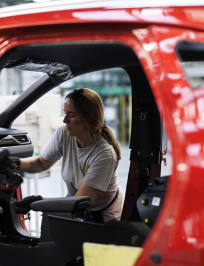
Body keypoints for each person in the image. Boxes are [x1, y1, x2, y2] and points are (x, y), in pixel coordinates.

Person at [13, 88, 124, 223]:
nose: (65, 120)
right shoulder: (64, 134)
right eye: (65, 113)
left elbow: (78, 202)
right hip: (75, 207)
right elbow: (41, 163)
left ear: (89, 118)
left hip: (104, 217)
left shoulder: (104, 154)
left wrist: (37, 202)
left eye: (71, 115)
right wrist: (15, 162)